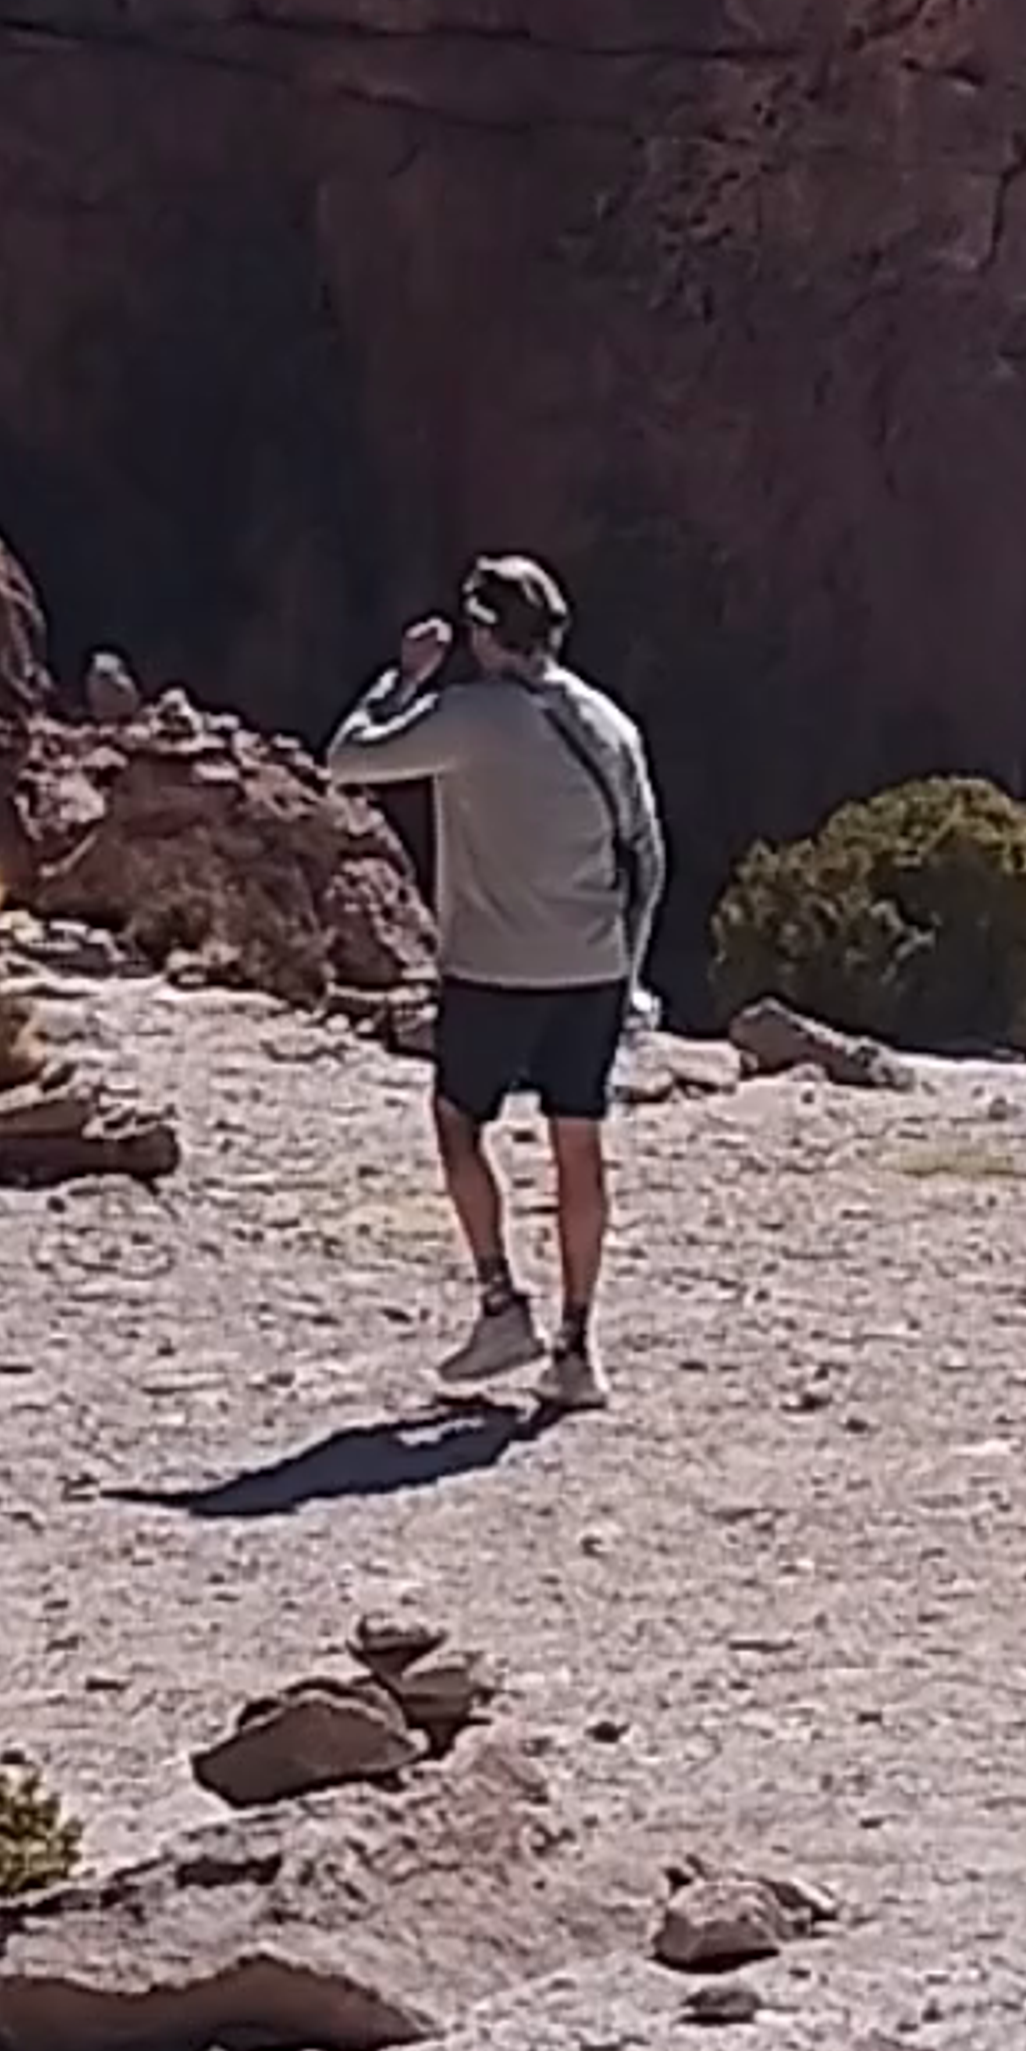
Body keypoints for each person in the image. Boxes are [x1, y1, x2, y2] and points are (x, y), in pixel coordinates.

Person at [325, 551, 664, 1414]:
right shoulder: (607, 723)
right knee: (578, 1144)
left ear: (482, 633)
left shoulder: (468, 716)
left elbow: (348, 759)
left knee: (457, 1121)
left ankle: (501, 1302)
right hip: (592, 970)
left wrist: (402, 678)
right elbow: (648, 855)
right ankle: (577, 1348)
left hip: (491, 970)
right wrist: (628, 967)